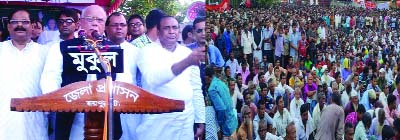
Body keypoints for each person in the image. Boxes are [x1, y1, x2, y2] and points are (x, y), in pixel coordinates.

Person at [41, 5, 134, 140]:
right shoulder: (61, 48)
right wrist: (60, 102)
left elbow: (125, 80)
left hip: (106, 116)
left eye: (100, 20)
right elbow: (50, 78)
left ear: (104, 26)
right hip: (71, 116)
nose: (95, 23)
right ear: (80, 23)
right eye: (90, 19)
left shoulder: (114, 49)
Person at [136, 16, 205, 139]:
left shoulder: (187, 52)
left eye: (174, 28)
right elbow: (153, 79)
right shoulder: (146, 52)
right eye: (166, 28)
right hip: (157, 120)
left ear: (179, 31)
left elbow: (196, 88)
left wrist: (201, 119)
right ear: (158, 32)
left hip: (185, 119)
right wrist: (186, 62)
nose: (171, 31)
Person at [0, 9, 48, 140]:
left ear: (33, 26)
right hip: (3, 122)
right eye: (15, 22)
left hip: (34, 121)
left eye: (25, 22)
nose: (19, 25)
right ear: (8, 26)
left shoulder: (45, 53)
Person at [104, 12, 141, 140]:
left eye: (122, 25)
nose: (119, 28)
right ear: (106, 28)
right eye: (115, 25)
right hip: (104, 105)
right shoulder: (98, 50)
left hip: (130, 106)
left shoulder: (137, 52)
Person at [186, 16, 206, 140]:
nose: (203, 33)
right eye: (199, 31)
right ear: (193, 33)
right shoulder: (185, 53)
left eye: (205, 29)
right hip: (193, 104)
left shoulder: (214, 50)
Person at [205, 65, 237, 139]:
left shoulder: (212, 89)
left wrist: (219, 123)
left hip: (226, 128)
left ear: (207, 76)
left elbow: (221, 109)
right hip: (233, 122)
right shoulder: (222, 83)